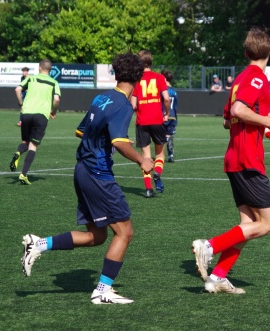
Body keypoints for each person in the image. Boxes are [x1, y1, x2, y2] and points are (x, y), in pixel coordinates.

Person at [20, 52, 154, 305]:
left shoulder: (102, 97)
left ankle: (39, 244)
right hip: (97, 174)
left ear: (116, 73)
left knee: (97, 236)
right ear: (139, 77)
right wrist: (142, 160)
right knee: (125, 232)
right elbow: (120, 141)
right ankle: (103, 290)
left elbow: (80, 131)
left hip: (82, 169)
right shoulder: (123, 104)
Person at [192, 27, 270, 294]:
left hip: (234, 157)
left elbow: (226, 120)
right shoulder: (257, 78)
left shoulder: (241, 78)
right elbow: (237, 110)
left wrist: (264, 116)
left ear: (245, 53)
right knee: (268, 224)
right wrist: (267, 121)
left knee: (247, 225)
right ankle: (209, 246)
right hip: (248, 158)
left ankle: (218, 276)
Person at [9, 60, 61, 185]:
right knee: (33, 146)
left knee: (25, 142)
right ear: (50, 70)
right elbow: (57, 99)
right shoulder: (54, 82)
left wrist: (21, 104)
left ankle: (18, 152)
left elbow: (17, 90)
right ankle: (23, 174)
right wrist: (54, 110)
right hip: (41, 115)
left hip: (26, 114)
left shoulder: (31, 79)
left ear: (39, 68)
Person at [131, 50, 171, 198]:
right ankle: (157, 173)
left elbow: (133, 105)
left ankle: (148, 189)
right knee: (160, 153)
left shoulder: (136, 80)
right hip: (156, 120)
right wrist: (166, 113)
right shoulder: (159, 77)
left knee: (145, 157)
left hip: (142, 121)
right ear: (151, 62)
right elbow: (166, 99)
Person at [161, 69, 178, 163]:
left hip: (164, 115)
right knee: (170, 135)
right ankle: (170, 154)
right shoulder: (174, 92)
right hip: (173, 116)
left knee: (162, 136)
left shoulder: (163, 90)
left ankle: (161, 155)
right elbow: (175, 106)